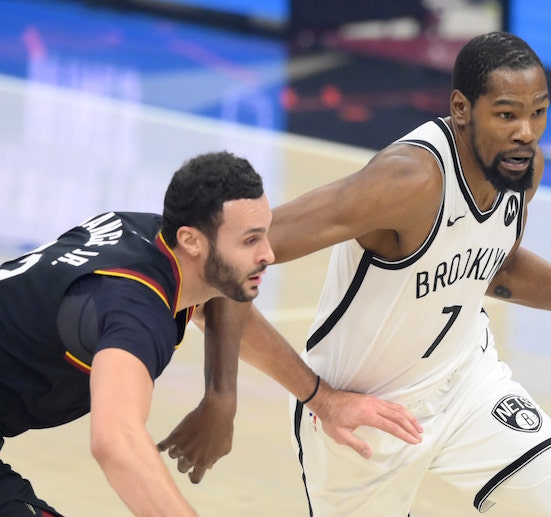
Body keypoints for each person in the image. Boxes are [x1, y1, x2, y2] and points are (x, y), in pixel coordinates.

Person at [234, 32, 551, 516]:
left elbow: (496, 264)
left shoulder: (520, 168)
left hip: (469, 387)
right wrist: (318, 397)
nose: (526, 132)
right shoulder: (408, 180)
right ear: (461, 109)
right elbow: (224, 263)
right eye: (507, 114)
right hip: (366, 416)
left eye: (539, 112)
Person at [0, 151, 423, 517]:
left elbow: (222, 302)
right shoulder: (135, 311)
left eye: (265, 233)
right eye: (250, 241)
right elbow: (116, 441)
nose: (269, 254)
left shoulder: (154, 242)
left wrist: (321, 400)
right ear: (192, 241)